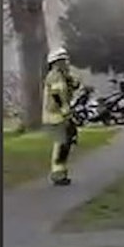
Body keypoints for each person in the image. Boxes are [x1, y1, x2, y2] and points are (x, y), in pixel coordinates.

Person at [43, 47, 81, 186]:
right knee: (60, 145)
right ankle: (57, 175)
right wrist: (65, 109)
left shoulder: (63, 75)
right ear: (55, 62)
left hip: (62, 115)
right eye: (62, 60)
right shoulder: (54, 75)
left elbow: (73, 86)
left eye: (65, 60)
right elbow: (57, 94)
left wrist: (72, 80)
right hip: (55, 116)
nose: (66, 63)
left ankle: (61, 173)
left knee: (66, 144)